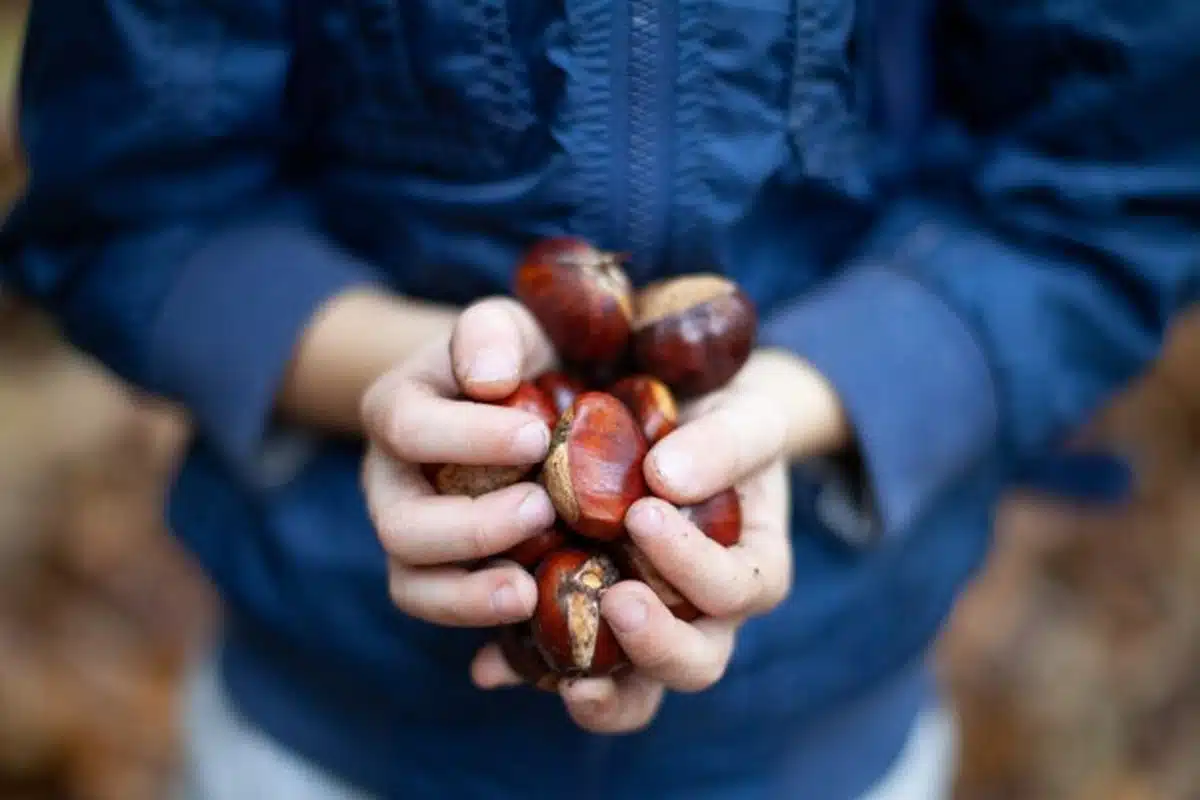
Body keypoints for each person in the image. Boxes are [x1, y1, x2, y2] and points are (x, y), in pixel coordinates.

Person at [2, 0, 1197, 797]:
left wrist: (802, 397)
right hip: (332, 732)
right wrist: (397, 375)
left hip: (821, 736)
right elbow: (129, 200)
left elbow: (1108, 188)